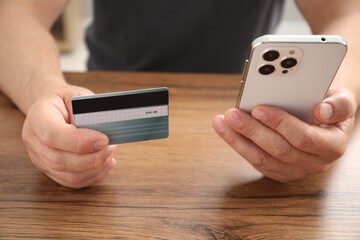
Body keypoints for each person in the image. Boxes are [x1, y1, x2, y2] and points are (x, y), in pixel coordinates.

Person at [0, 0, 359, 188]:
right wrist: (44, 90)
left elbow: (347, 12)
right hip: (106, 98)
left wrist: (334, 95)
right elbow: (15, 10)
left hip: (245, 104)